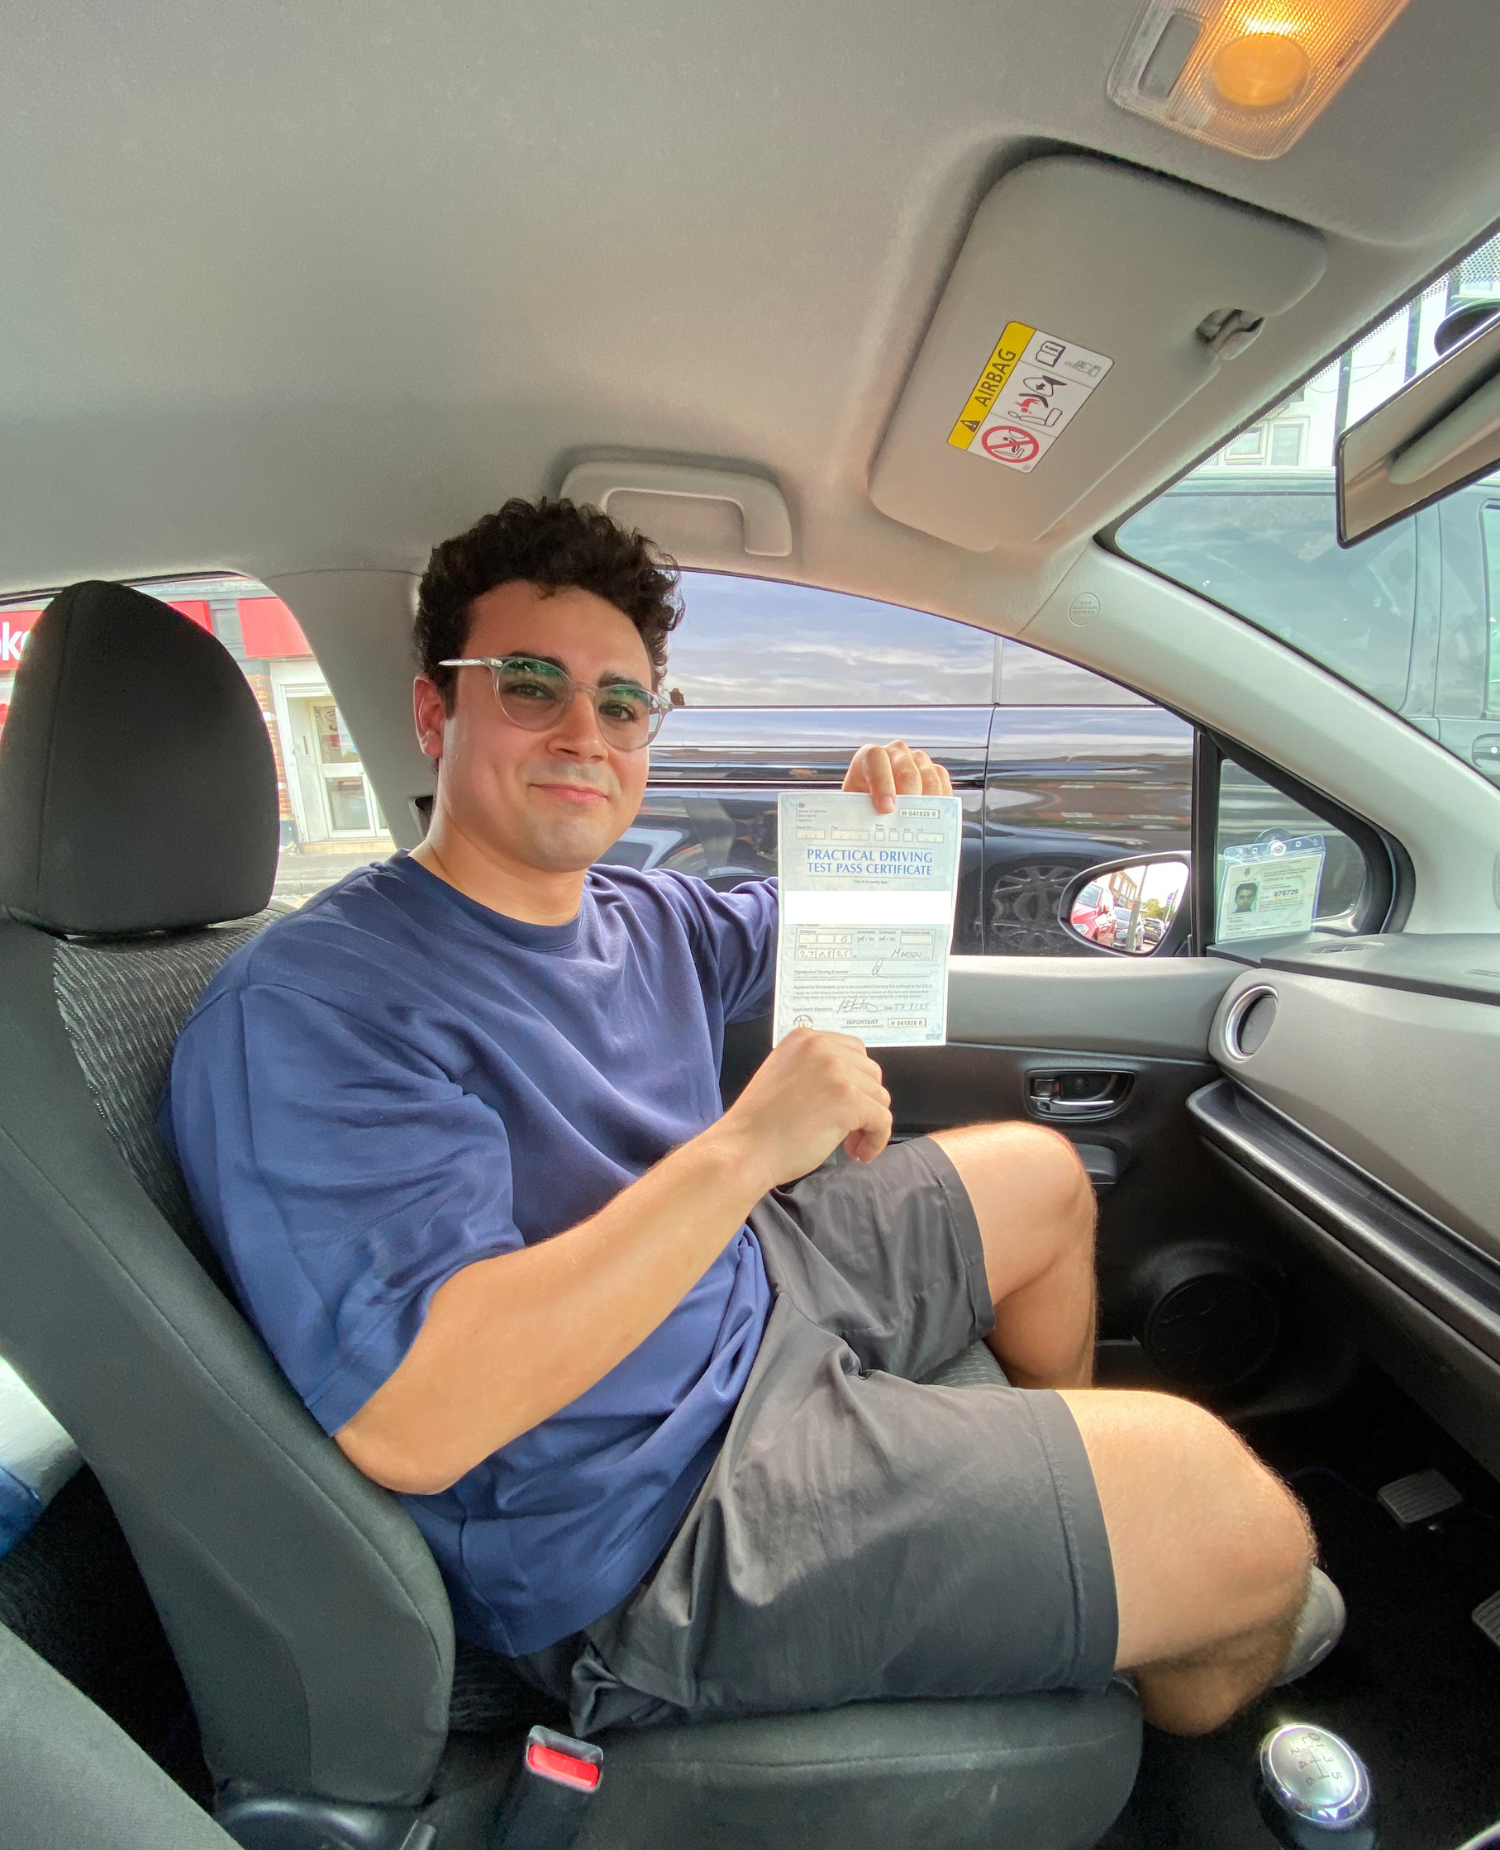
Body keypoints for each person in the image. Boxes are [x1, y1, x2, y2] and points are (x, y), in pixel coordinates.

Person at [163, 499, 1339, 1739]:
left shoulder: (633, 911)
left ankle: (1071, 1540)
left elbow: (835, 945)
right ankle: (1152, 1648)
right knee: (1238, 1521)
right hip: (643, 1509)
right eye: (529, 685)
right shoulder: (314, 1007)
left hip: (738, 1293)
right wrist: (741, 1149)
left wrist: (881, 831)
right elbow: (419, 1413)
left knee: (1045, 1177)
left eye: (622, 704)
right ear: (432, 711)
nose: (584, 731)